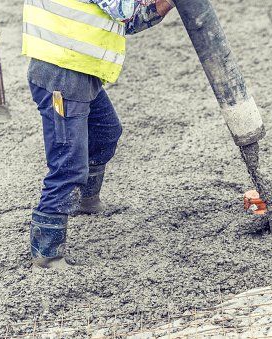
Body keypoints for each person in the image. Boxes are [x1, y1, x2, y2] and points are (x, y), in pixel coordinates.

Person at [22, 0, 174, 268]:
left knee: (105, 133)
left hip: (78, 68)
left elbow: (130, 21)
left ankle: (86, 200)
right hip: (62, 73)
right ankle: (47, 255)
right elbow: (126, 11)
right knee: (68, 164)